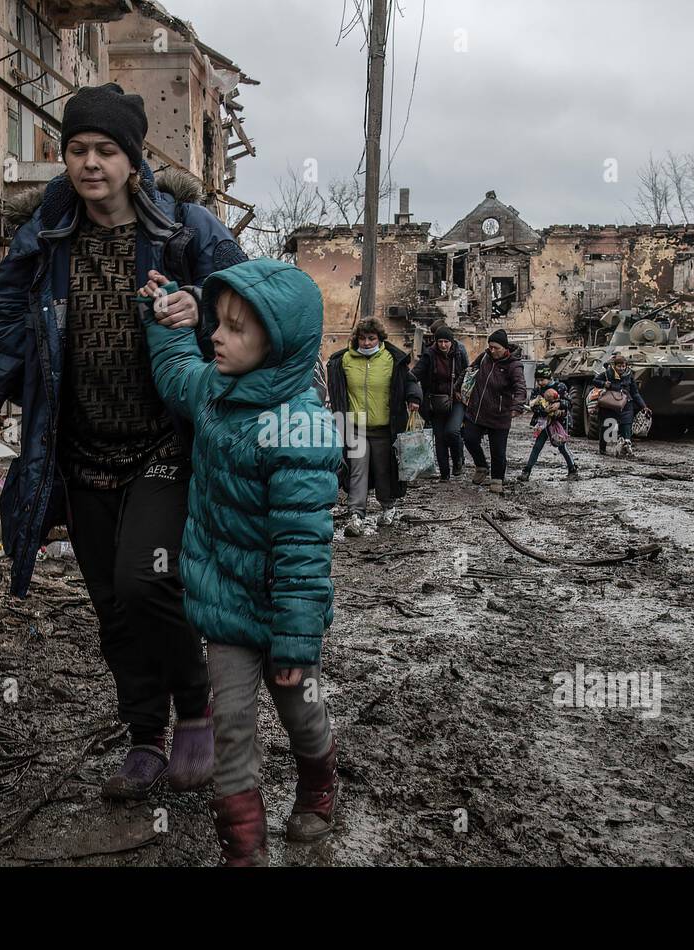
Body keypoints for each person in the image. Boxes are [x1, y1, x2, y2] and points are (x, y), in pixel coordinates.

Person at [0, 83, 247, 801]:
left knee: (148, 578)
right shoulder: (45, 240)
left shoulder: (187, 232)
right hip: (78, 450)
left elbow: (254, 312)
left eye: (106, 150)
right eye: (76, 150)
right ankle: (143, 738)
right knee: (110, 600)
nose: (90, 163)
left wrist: (202, 315)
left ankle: (195, 711)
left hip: (168, 444)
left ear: (134, 161)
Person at [138, 258, 340, 867]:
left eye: (234, 329)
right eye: (218, 323)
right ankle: (243, 848)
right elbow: (176, 371)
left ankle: (318, 781)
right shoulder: (216, 391)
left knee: (301, 712)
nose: (217, 337)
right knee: (232, 728)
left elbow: (304, 550)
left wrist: (296, 642)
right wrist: (168, 314)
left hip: (283, 615)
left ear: (277, 345)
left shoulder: (299, 427)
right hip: (226, 606)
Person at [326, 318, 421, 535]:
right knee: (357, 472)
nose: (367, 343)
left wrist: (414, 397)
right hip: (356, 429)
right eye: (362, 338)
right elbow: (336, 388)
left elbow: (409, 382)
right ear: (356, 339)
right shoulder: (344, 360)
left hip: (385, 429)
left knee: (384, 470)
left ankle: (388, 508)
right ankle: (356, 516)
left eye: (371, 338)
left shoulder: (391, 359)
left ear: (379, 339)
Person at [461, 328, 527, 494]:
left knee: (498, 450)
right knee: (469, 438)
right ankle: (481, 466)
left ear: (505, 348)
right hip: (478, 410)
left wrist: (517, 406)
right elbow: (469, 372)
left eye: (496, 348)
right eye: (490, 346)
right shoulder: (484, 357)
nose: (492, 350)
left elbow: (520, 387)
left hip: (500, 414)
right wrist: (457, 388)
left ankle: (497, 479)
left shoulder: (514, 365)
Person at [411, 325, 468, 481]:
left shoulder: (459, 353)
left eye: (446, 342)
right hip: (435, 402)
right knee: (440, 438)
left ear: (451, 341)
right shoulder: (429, 355)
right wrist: (412, 393)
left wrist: (461, 390)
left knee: (452, 432)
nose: (443, 345)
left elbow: (467, 373)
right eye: (440, 341)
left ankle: (457, 461)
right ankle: (444, 474)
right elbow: (415, 374)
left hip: (456, 400)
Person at [521, 367, 579, 480]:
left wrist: (559, 404)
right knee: (537, 446)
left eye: (542, 380)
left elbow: (570, 403)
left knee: (562, 446)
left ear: (549, 377)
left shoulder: (560, 387)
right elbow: (533, 406)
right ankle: (527, 471)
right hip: (543, 423)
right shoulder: (537, 390)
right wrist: (544, 410)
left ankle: (572, 469)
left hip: (559, 422)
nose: (540, 382)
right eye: (537, 380)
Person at [592, 352, 648, 457]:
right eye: (619, 366)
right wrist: (604, 384)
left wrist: (643, 406)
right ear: (614, 365)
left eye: (623, 366)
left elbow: (635, 393)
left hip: (626, 405)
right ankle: (603, 449)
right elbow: (595, 381)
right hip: (609, 406)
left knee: (626, 427)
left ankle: (625, 449)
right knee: (607, 428)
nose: (621, 368)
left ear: (626, 366)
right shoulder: (607, 374)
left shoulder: (629, 376)